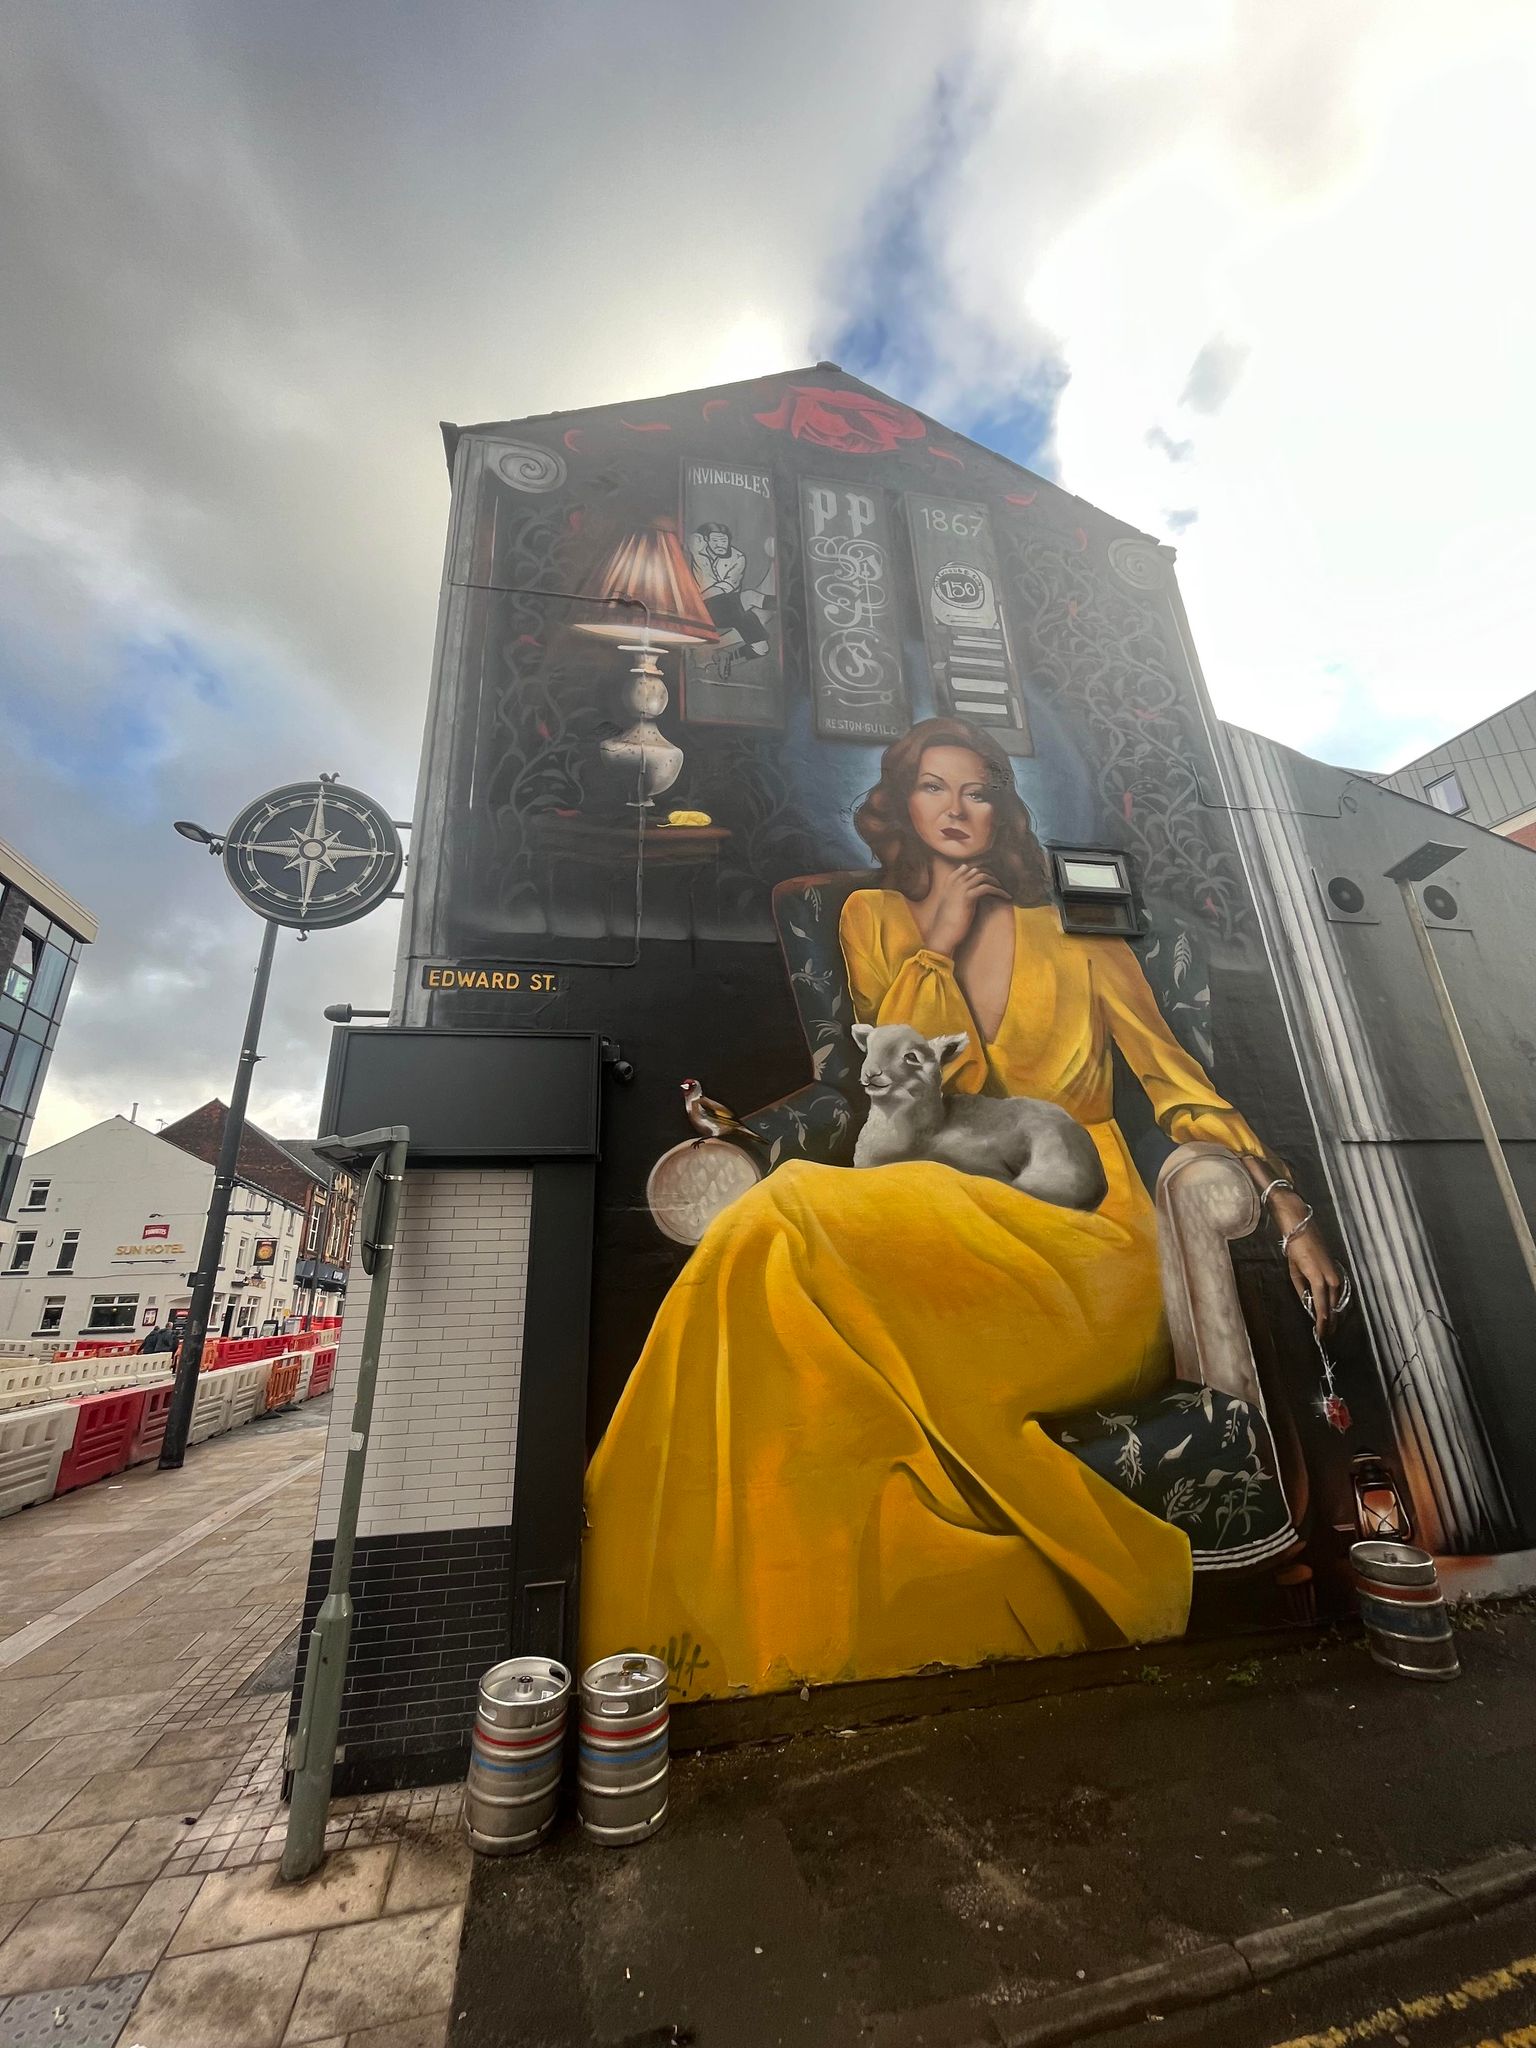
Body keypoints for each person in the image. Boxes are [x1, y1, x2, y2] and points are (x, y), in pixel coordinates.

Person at [581, 717, 1345, 1698]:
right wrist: (933, 945)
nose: (954, 807)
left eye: (975, 789)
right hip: (936, 1197)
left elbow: (1174, 1079)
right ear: (901, 803)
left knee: (797, 1214)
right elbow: (891, 1081)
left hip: (1087, 1234)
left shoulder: (1078, 931)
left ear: (1000, 809)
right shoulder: (869, 919)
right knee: (775, 1225)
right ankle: (703, 1595)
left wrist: (1285, 1202)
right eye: (932, 787)